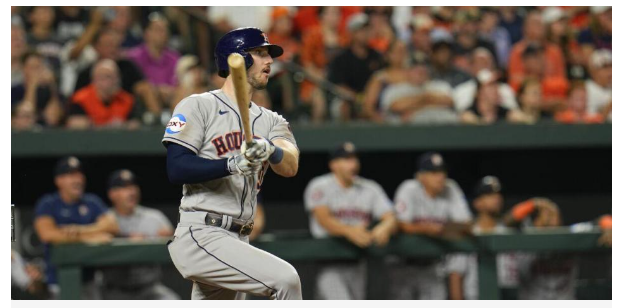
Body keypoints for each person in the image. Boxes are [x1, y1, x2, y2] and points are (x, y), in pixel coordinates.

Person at [163, 27, 302, 300]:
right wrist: (232, 164)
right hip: (202, 232)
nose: (269, 61)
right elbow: (176, 168)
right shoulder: (198, 106)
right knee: (286, 280)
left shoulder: (271, 120)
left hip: (238, 238)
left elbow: (290, 165)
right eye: (260, 53)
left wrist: (270, 149)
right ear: (238, 58)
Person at [303, 142, 397, 299]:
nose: (353, 164)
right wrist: (349, 231)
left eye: (354, 159)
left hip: (359, 264)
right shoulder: (319, 186)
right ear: (333, 165)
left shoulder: (370, 188)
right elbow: (323, 218)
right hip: (329, 263)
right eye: (346, 160)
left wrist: (385, 227)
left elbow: (391, 216)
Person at [390, 152, 473, 300]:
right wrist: (428, 229)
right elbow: (401, 224)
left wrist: (438, 229)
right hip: (403, 266)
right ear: (420, 176)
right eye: (434, 173)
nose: (440, 177)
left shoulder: (451, 188)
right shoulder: (409, 189)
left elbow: (466, 224)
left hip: (433, 266)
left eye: (442, 172)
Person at [33, 156, 119, 299]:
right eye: (71, 175)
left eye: (79, 174)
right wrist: (90, 237)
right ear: (58, 180)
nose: (77, 179)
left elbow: (112, 225)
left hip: (89, 281)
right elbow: (47, 234)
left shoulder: (91, 201)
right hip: (58, 280)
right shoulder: (48, 203)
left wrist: (79, 230)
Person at [101, 169, 179, 300]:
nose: (131, 192)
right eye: (124, 188)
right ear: (112, 194)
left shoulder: (155, 217)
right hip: (114, 291)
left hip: (149, 290)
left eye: (133, 186)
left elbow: (176, 245)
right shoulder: (103, 219)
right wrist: (126, 239)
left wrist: (169, 238)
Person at [74, 27, 162, 120]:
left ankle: (158, 122)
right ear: (97, 47)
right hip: (93, 117)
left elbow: (143, 87)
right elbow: (77, 99)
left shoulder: (128, 67)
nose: (112, 49)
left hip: (125, 112)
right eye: (108, 45)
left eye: (115, 45)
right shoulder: (86, 73)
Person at [327, 13, 383, 121]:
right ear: (352, 33)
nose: (366, 34)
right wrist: (358, 98)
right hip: (351, 100)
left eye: (368, 30)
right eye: (361, 30)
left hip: (374, 99)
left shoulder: (376, 56)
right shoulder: (341, 58)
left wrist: (369, 100)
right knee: (343, 106)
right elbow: (338, 85)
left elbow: (383, 77)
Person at [66, 59, 139, 129]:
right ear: (93, 80)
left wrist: (125, 125)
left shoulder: (127, 100)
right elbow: (75, 124)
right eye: (102, 77)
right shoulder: (80, 99)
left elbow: (134, 123)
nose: (107, 82)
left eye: (111, 77)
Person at [126, 13, 180, 106]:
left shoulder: (174, 58)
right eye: (158, 30)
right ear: (147, 33)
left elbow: (178, 82)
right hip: (144, 101)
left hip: (171, 97)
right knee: (146, 89)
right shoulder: (134, 57)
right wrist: (158, 89)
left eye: (165, 30)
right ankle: (157, 119)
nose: (163, 33)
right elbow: (135, 85)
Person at [379, 60, 455, 124]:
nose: (420, 71)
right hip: (409, 132)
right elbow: (396, 107)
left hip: (444, 127)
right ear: (407, 71)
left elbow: (449, 102)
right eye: (416, 68)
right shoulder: (395, 89)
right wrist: (428, 99)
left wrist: (413, 106)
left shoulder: (440, 85)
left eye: (423, 68)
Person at [11, 51, 63, 129]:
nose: (37, 72)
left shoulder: (49, 91)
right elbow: (26, 115)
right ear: (23, 69)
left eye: (39, 67)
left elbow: (53, 119)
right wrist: (32, 86)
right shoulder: (14, 91)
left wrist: (52, 85)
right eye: (33, 67)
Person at [585, 49, 612, 120]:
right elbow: (591, 120)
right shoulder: (586, 89)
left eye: (611, 66)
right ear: (593, 71)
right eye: (605, 67)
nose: (610, 71)